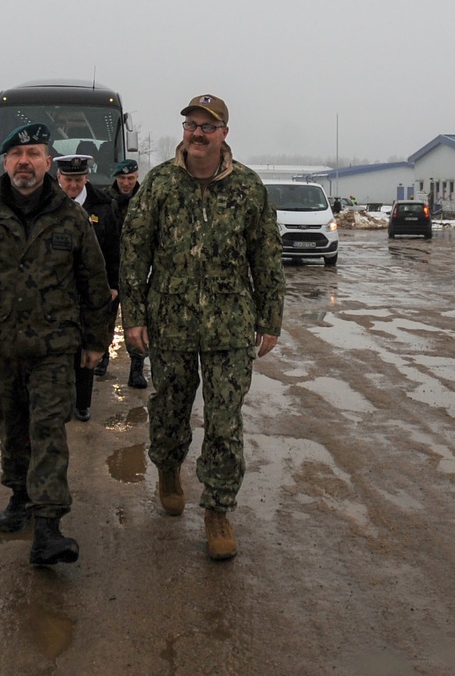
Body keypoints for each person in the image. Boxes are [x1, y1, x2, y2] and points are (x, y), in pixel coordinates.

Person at [120, 95, 285, 561]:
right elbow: (134, 254)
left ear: (224, 135)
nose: (197, 133)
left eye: (207, 127)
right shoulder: (160, 185)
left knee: (224, 422)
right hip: (169, 322)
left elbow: (267, 256)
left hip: (230, 325)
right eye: (191, 125)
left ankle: (217, 510)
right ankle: (169, 468)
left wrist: (270, 317)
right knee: (169, 409)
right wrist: (133, 316)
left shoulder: (248, 188)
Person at [0, 123, 113, 566]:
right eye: (16, 154)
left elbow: (94, 279)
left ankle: (49, 526)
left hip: (55, 348)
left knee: (49, 430)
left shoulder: (69, 215)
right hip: (1, 346)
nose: (24, 162)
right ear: (3, 163)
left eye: (33, 153)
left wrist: (95, 340)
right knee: (11, 427)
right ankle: (19, 495)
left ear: (46, 162)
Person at [55, 154, 120, 421]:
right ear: (58, 178)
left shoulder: (103, 207)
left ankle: (82, 402)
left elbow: (114, 248)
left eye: (78, 180)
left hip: (90, 289)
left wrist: (113, 284)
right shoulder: (47, 205)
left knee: (86, 346)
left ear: (87, 178)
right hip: (55, 289)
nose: (73, 186)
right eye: (68, 180)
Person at [107, 158, 148, 388]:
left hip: (138, 272)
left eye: (130, 178)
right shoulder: (105, 200)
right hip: (111, 268)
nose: (126, 183)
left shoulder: (145, 200)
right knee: (105, 318)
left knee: (138, 320)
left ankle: (137, 369)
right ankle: (102, 358)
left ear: (136, 177)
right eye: (122, 178)